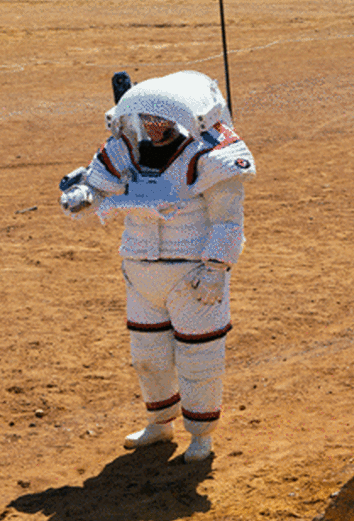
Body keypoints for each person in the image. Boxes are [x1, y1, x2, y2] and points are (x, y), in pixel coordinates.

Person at [59, 70, 255, 463]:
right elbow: (98, 185)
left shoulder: (214, 154)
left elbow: (229, 222)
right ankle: (160, 424)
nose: (152, 126)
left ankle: (201, 436)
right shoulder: (127, 147)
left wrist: (216, 269)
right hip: (141, 272)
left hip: (194, 276)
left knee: (199, 360)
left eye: (161, 119)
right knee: (148, 358)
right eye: (146, 119)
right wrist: (83, 195)